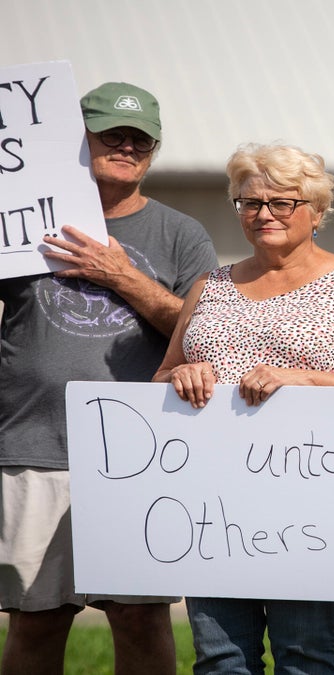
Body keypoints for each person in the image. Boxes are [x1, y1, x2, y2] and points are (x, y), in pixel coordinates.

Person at [151, 143, 334, 674]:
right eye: (249, 203)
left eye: (282, 202)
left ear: (315, 211)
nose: (264, 214)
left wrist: (305, 378)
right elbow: (158, 378)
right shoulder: (209, 286)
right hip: (211, 503)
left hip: (308, 504)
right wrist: (180, 372)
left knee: (305, 657)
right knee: (220, 660)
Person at [0, 81, 217, 675]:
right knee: (36, 616)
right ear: (78, 138)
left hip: (141, 451)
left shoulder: (181, 233)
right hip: (32, 443)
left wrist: (122, 276)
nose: (125, 146)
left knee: (140, 614)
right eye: (110, 134)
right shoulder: (21, 221)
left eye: (139, 140)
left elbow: (206, 330)